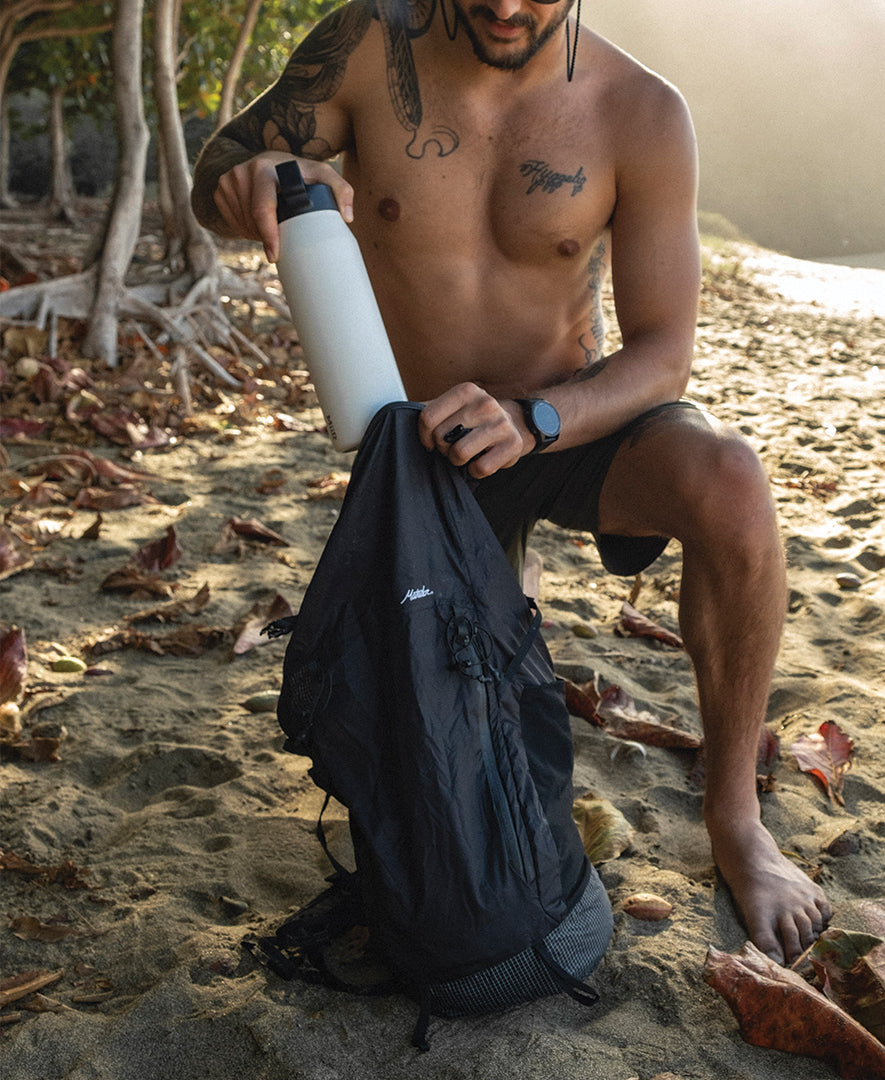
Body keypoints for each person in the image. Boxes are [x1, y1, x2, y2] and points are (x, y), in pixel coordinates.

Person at [191, 0, 830, 965]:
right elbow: (216, 171)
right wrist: (247, 182)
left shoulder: (642, 113)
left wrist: (538, 421)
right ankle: (498, 590)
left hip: (566, 424)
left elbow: (666, 354)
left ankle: (736, 821)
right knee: (460, 824)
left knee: (731, 481)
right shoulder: (367, 49)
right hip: (424, 457)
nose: (504, 6)